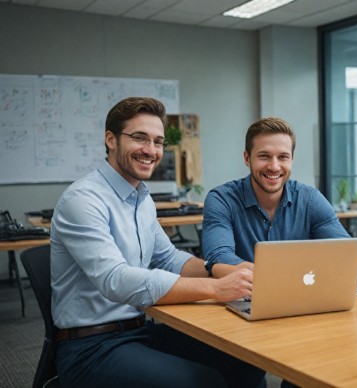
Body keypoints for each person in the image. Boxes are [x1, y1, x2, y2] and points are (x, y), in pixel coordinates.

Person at [50, 97, 265, 387]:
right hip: (91, 347)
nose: (151, 150)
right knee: (202, 382)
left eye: (158, 141)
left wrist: (222, 269)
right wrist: (216, 288)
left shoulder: (142, 198)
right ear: (110, 140)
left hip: (140, 331)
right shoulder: (84, 200)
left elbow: (168, 258)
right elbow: (115, 279)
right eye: (139, 138)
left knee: (244, 358)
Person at [202, 117, 357, 290]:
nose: (274, 166)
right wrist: (270, 277)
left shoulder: (310, 199)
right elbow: (219, 259)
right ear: (247, 158)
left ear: (292, 159)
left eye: (283, 157)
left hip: (303, 298)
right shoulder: (222, 199)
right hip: (244, 300)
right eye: (264, 156)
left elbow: (346, 252)